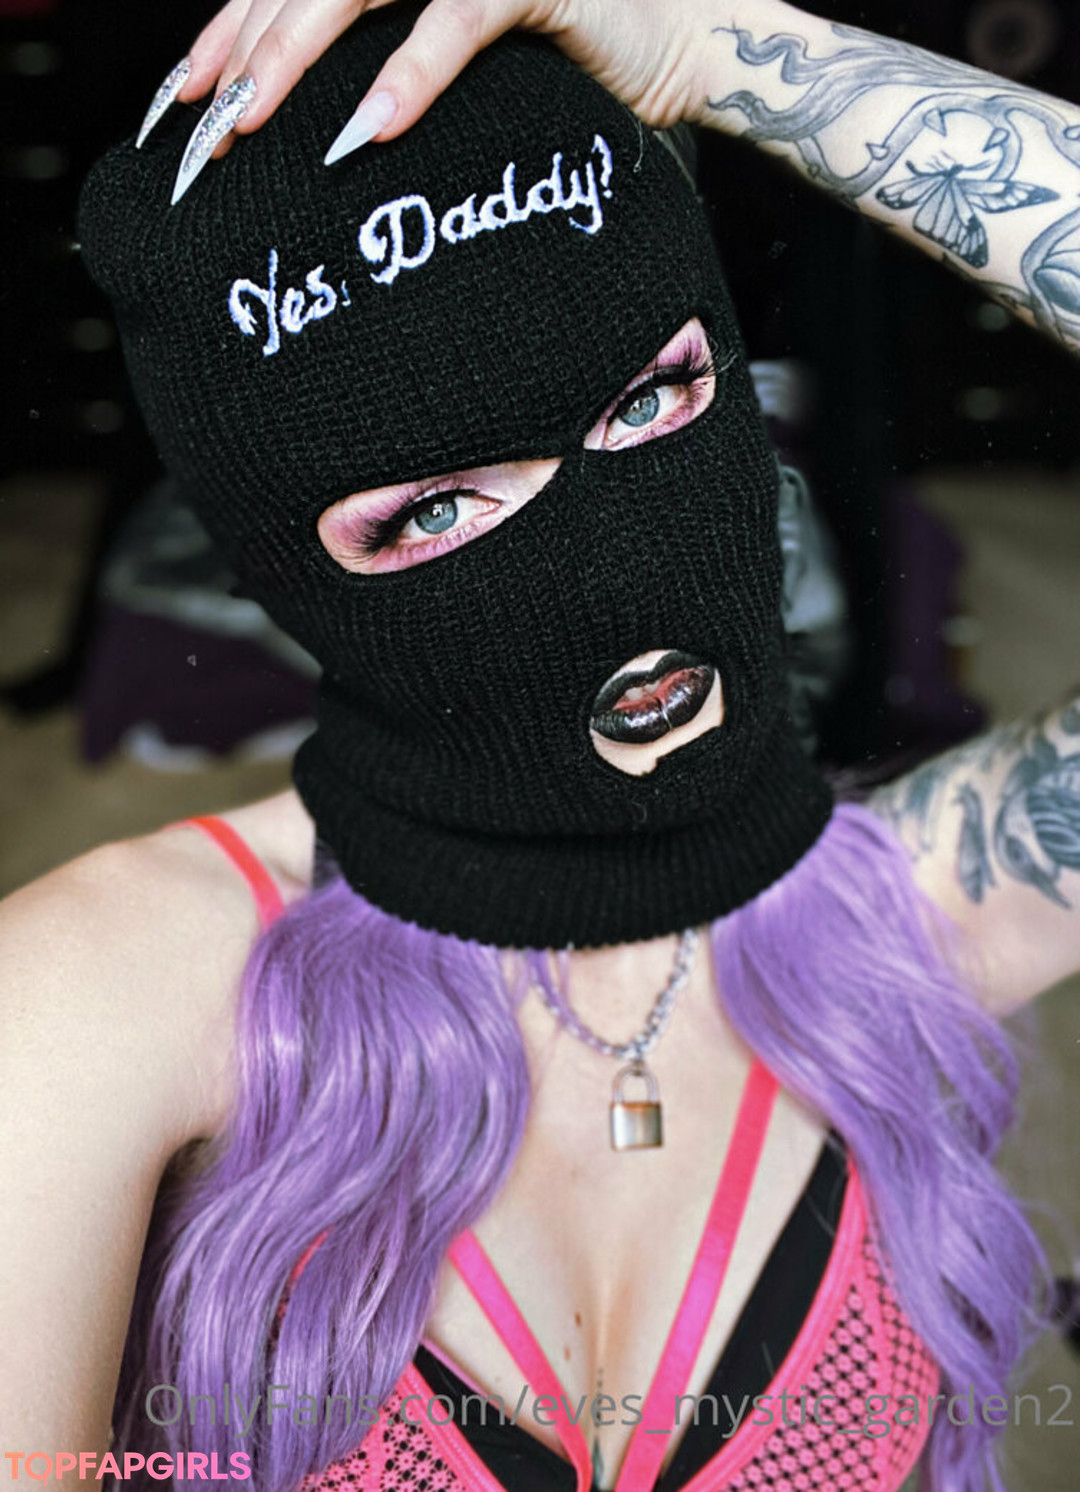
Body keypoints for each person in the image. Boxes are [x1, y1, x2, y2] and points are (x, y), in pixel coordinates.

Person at [2, 4, 1078, 1491]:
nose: (615, 579)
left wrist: (716, 46)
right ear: (272, 570)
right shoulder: (97, 996)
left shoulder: (920, 908)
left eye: (648, 402)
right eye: (432, 509)